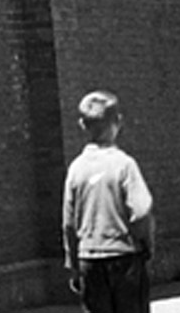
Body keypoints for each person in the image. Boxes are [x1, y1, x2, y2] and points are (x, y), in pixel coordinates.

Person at [62, 91, 155, 313]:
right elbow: (142, 211)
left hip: (89, 257)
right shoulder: (124, 164)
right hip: (124, 255)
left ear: (82, 125)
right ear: (118, 122)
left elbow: (68, 223)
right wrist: (147, 245)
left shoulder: (76, 169)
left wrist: (74, 265)